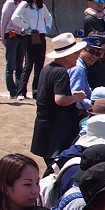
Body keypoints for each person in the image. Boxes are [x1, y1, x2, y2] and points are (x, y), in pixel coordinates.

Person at [30, 33, 88, 163]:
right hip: (56, 128)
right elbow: (60, 100)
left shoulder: (47, 69)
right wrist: (77, 97)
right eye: (76, 53)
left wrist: (72, 96)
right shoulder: (61, 73)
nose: (78, 56)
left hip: (45, 125)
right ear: (67, 55)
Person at [11, 0, 55, 97]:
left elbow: (49, 17)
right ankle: (21, 92)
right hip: (29, 36)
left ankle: (36, 91)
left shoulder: (41, 5)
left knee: (39, 64)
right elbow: (15, 17)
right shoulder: (25, 4)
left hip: (41, 36)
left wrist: (46, 28)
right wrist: (26, 26)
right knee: (29, 64)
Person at [1, 0, 30, 99]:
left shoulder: (24, 3)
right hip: (11, 35)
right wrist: (3, 36)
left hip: (22, 35)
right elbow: (4, 20)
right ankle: (12, 91)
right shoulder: (10, 3)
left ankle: (19, 90)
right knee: (10, 65)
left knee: (20, 65)